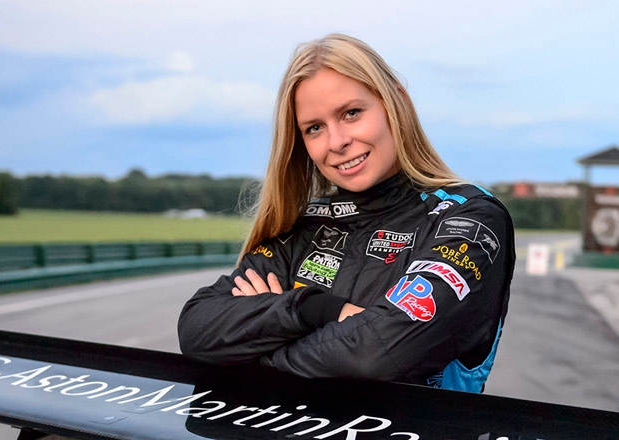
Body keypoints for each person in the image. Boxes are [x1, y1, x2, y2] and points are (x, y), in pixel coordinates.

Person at [178, 33, 515, 393]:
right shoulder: (303, 227)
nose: (337, 142)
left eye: (351, 113)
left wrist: (253, 355)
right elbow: (196, 329)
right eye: (315, 128)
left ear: (396, 103)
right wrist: (315, 310)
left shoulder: (470, 218)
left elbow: (373, 354)